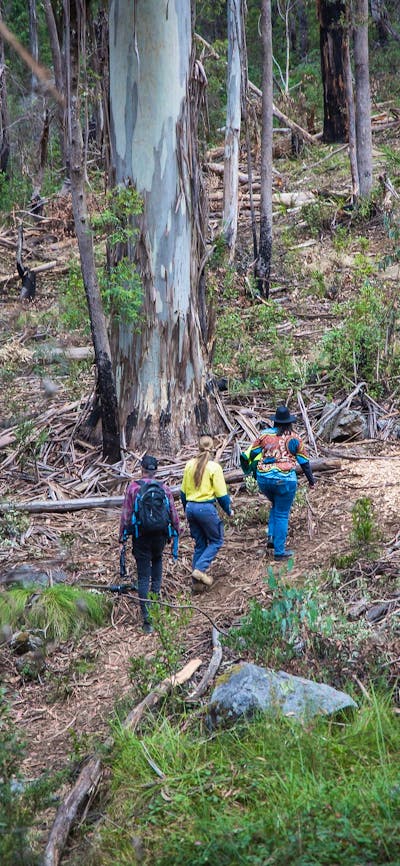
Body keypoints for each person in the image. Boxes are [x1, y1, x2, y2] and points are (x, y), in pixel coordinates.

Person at [242, 406, 315, 560]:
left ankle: (271, 537)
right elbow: (304, 463)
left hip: (264, 479)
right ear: (289, 422)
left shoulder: (264, 435)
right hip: (285, 480)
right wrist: (311, 481)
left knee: (276, 506)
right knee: (282, 513)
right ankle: (279, 552)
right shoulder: (295, 438)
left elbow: (251, 453)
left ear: (275, 421)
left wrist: (250, 469)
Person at [119, 455, 180, 633]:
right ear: (156, 470)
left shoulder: (133, 488)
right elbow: (172, 512)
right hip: (160, 535)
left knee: (143, 576)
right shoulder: (164, 489)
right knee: (157, 564)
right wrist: (176, 530)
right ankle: (156, 607)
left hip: (141, 535)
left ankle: (147, 620)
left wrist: (122, 536)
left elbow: (126, 514)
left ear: (141, 469)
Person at [180, 435, 234, 589]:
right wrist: (228, 510)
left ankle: (196, 584)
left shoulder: (189, 465)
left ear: (198, 447)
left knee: (200, 544)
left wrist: (186, 509)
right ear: (213, 448)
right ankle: (199, 569)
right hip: (206, 508)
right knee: (216, 540)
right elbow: (221, 494)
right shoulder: (214, 467)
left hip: (191, 507)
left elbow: (183, 493)